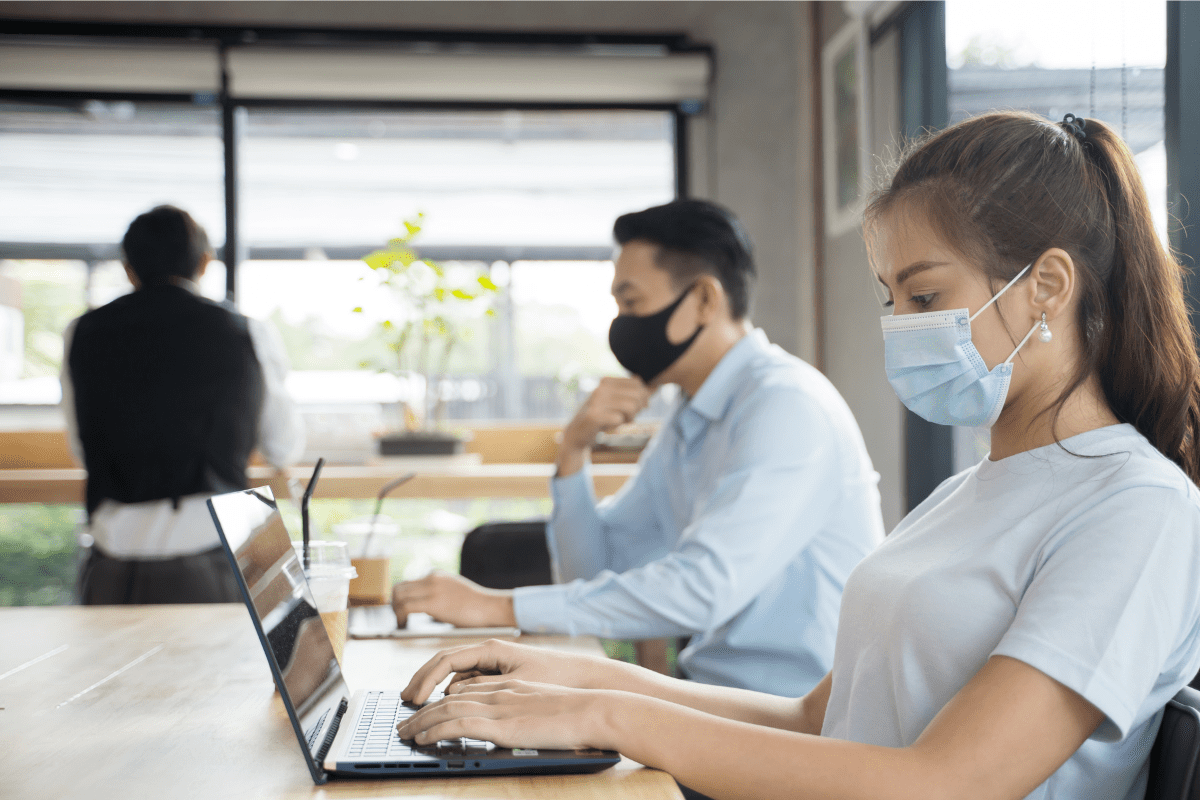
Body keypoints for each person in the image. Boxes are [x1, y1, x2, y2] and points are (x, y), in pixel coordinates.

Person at [391, 112, 1200, 800]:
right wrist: (580, 680)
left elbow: (946, 783)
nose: (902, 324)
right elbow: (817, 719)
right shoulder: (970, 492)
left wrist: (611, 717)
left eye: (924, 297)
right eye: (892, 299)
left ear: (1047, 286)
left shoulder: (1138, 507)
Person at [392, 199, 884, 697]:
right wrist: (573, 452)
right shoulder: (689, 418)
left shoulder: (786, 407)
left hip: (796, 719)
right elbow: (594, 570)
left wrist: (497, 607)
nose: (622, 324)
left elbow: (703, 588)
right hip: (718, 697)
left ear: (704, 300)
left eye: (632, 303)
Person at [62, 205, 304, 604]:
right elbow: (283, 446)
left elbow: (81, 447)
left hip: (114, 560)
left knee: (114, 667)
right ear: (205, 263)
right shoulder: (247, 332)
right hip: (219, 551)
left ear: (128, 268)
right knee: (237, 666)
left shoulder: (82, 332)